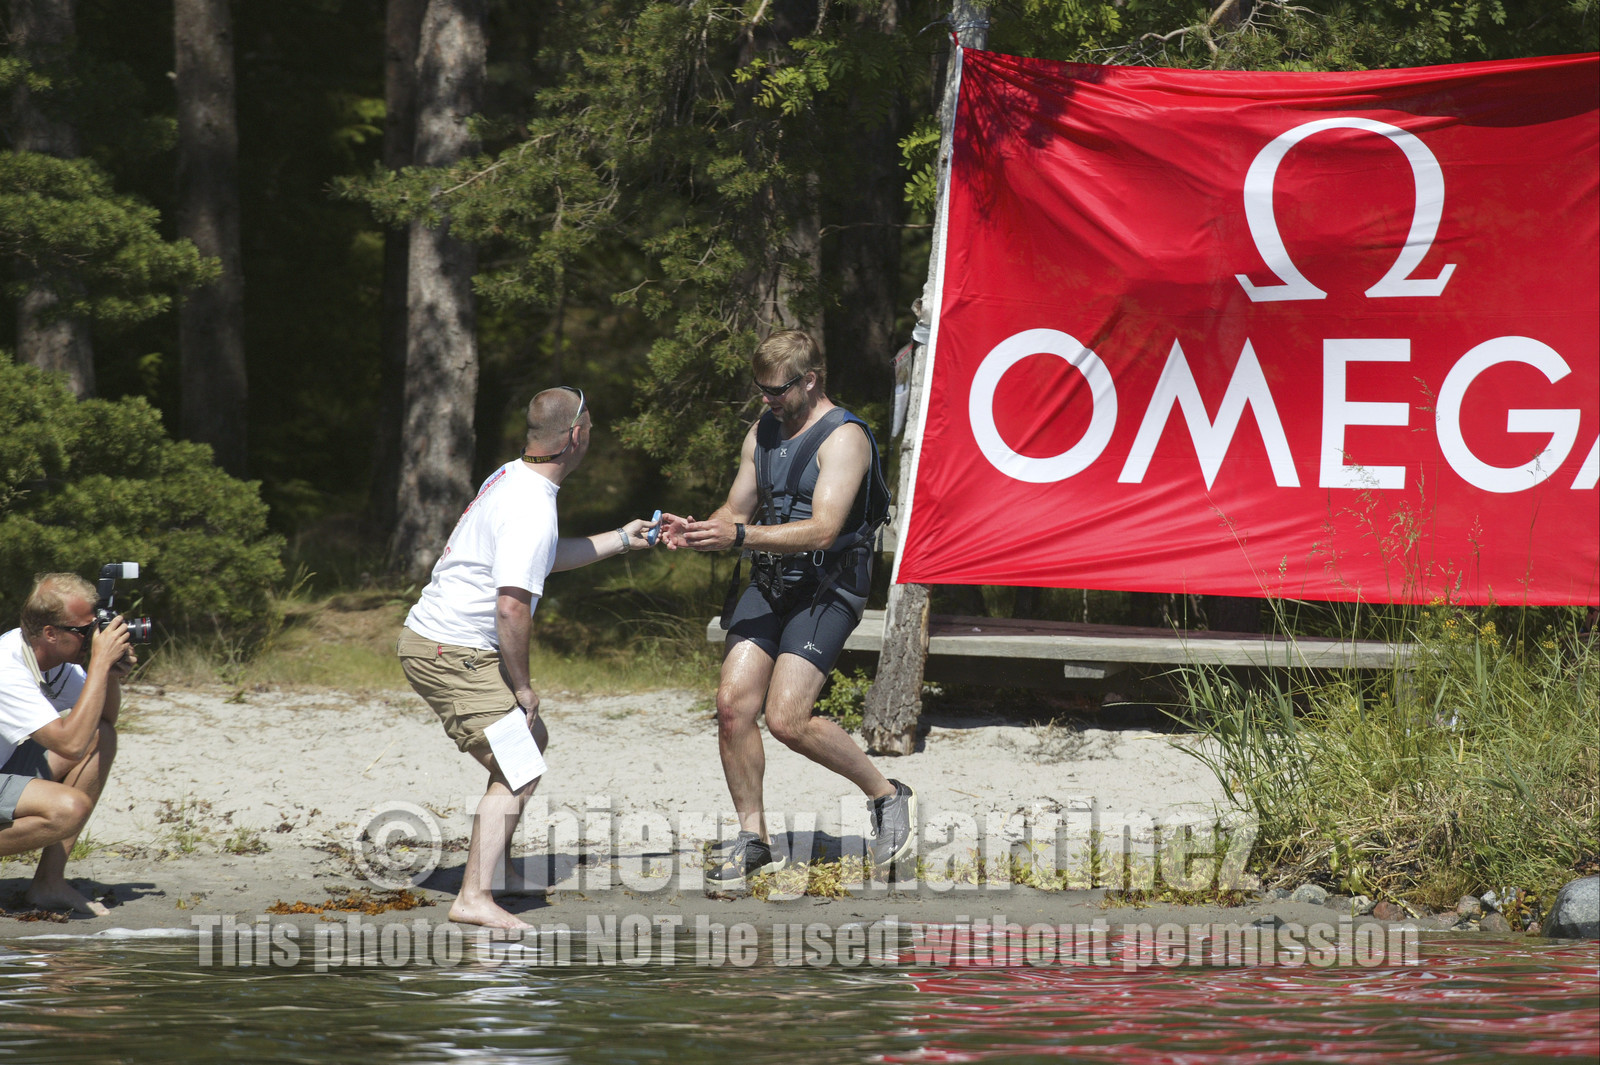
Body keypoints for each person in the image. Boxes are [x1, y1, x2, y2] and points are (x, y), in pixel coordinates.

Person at [662, 330, 916, 888]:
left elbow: (824, 530)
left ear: (809, 380)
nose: (767, 401)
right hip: (771, 579)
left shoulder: (843, 438)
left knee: (787, 718)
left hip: (829, 585)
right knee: (732, 707)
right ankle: (753, 841)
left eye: (777, 390)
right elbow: (736, 506)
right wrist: (702, 528)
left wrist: (738, 536)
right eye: (761, 390)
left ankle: (888, 795)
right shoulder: (762, 432)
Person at [398, 386, 657, 930]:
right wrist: (522, 686)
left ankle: (500, 873)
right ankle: (473, 897)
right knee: (519, 765)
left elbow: (536, 558)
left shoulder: (514, 477)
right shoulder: (531, 505)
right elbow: (512, 606)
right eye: (591, 427)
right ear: (577, 436)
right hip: (452, 650)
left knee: (526, 747)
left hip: (437, 641)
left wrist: (624, 540)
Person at [0, 573, 133, 916]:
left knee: (101, 737)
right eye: (85, 631)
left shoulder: (54, 661)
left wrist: (109, 673)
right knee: (69, 809)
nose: (94, 637)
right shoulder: (6, 666)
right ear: (50, 633)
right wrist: (100, 661)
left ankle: (49, 883)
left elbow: (104, 719)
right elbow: (70, 745)